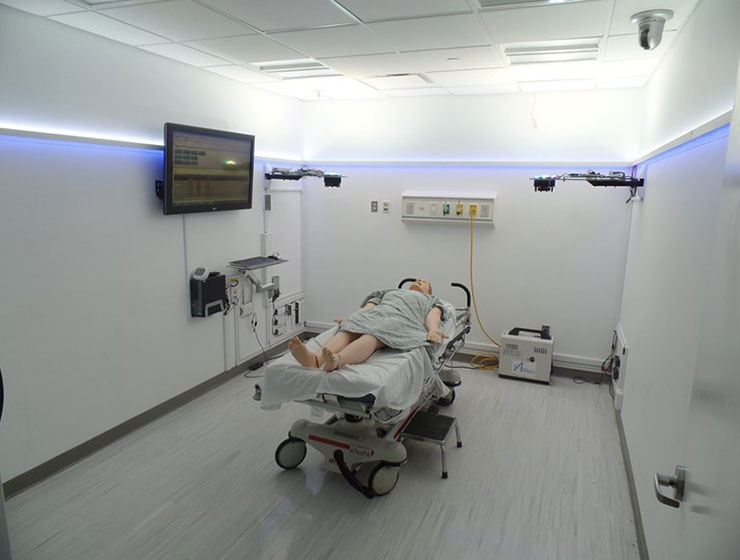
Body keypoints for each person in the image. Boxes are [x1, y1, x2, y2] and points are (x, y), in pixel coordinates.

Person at [288, 279, 448, 372]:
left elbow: (433, 315)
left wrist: (433, 329)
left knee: (372, 336)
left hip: (399, 320)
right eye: (417, 280)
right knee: (348, 331)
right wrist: (354, 318)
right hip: (376, 314)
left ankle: (336, 361)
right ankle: (315, 359)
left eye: (424, 282)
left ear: (429, 291)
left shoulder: (430, 300)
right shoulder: (390, 292)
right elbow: (370, 306)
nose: (419, 280)